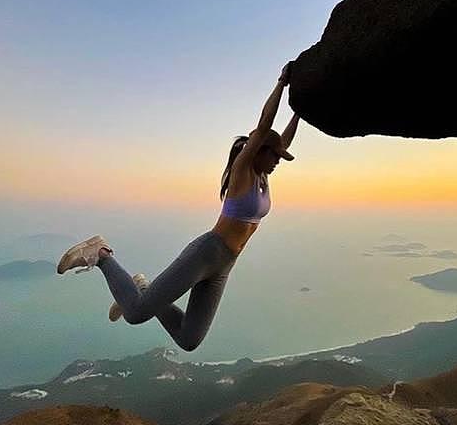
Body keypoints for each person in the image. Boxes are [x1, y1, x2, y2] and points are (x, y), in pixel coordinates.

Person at [57, 60, 300, 351]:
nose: (277, 161)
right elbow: (264, 125)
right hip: (208, 252)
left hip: (224, 264)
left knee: (189, 339)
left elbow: (281, 139)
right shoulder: (243, 171)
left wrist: (300, 109)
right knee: (135, 313)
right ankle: (102, 254)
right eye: (274, 156)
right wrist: (282, 85)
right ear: (258, 151)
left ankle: (143, 287)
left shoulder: (263, 176)